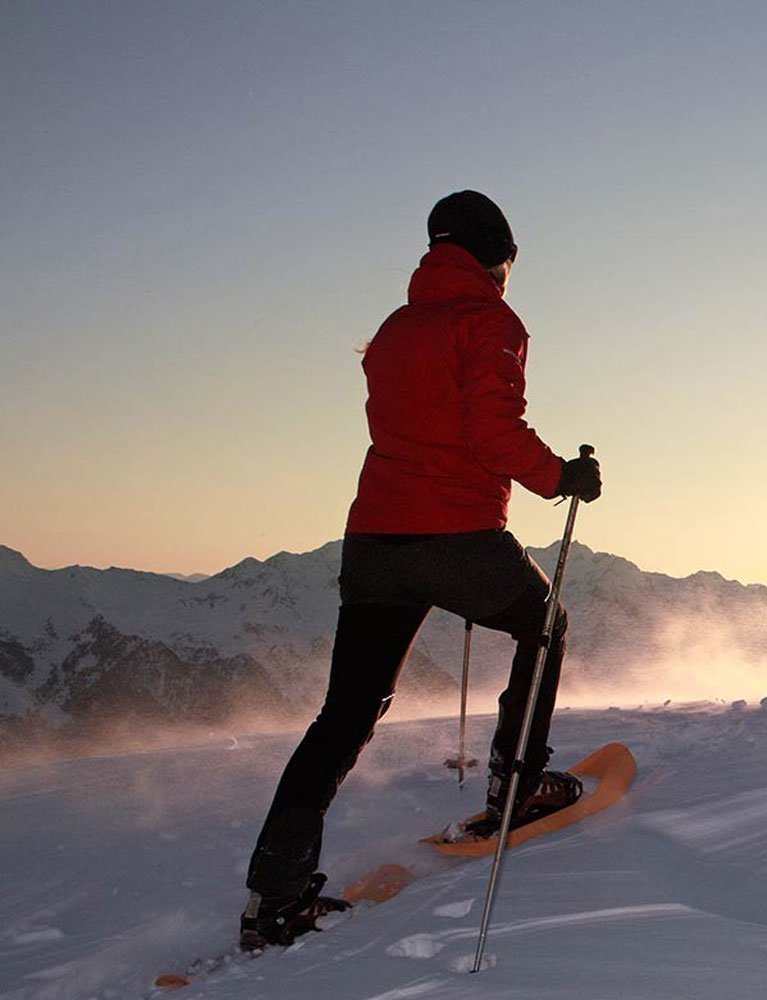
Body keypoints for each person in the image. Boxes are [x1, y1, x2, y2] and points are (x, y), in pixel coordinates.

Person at [240, 191, 602, 949]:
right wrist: (561, 474)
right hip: (456, 533)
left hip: (375, 535)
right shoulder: (490, 322)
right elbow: (490, 429)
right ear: (495, 252)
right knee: (545, 625)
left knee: (346, 713)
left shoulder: (395, 328)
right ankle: (519, 780)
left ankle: (275, 898)